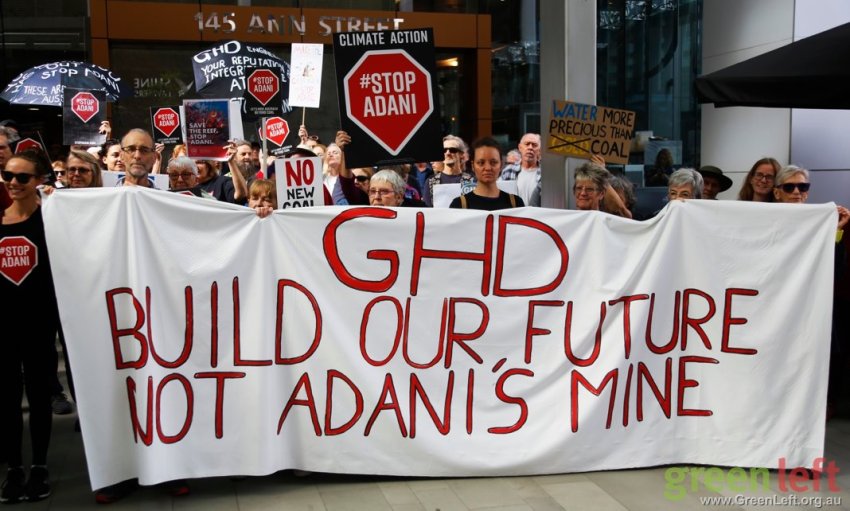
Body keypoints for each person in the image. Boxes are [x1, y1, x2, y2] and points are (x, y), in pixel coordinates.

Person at [0, 152, 60, 503]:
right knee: (7, 399)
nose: (13, 182)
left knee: (39, 396)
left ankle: (39, 465)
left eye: (23, 178)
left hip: (39, 323)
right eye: (8, 175)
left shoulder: (51, 216)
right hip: (3, 325)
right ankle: (15, 468)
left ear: (39, 180)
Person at [451, 137, 523, 210]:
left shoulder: (516, 203)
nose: (488, 168)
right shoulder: (458, 205)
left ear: (501, 165)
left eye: (493, 162)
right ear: (473, 166)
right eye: (481, 163)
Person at [427, 135, 475, 207]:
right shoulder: (430, 181)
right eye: (444, 150)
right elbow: (427, 211)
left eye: (452, 150)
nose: (448, 153)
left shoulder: (471, 180)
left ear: (461, 154)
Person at [499, 133, 541, 206]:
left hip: (538, 216)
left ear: (539, 150)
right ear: (520, 147)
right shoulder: (508, 171)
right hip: (513, 215)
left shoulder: (546, 174)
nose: (530, 147)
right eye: (527, 144)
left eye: (534, 145)